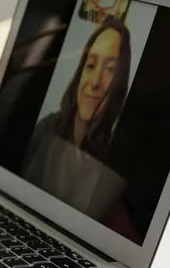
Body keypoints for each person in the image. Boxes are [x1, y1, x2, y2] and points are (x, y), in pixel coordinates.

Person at [21, 18, 132, 218]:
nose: (95, 82)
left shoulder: (114, 162)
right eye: (90, 65)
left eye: (110, 69)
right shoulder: (46, 129)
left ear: (120, 85)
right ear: (80, 72)